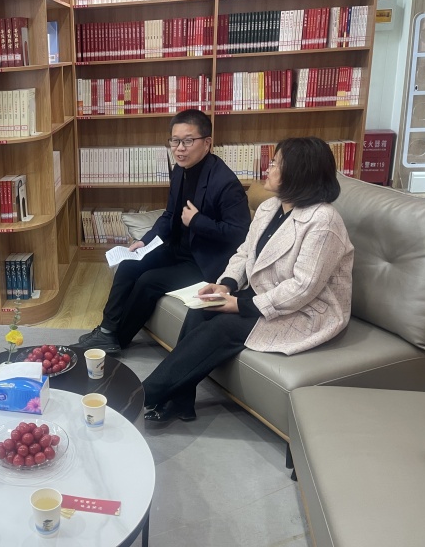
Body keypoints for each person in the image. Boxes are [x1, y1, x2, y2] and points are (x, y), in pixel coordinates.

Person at [143, 137, 354, 423]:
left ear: (298, 173)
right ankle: (180, 402)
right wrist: (226, 284)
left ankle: (143, 394)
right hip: (264, 295)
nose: (268, 168)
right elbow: (244, 253)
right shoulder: (270, 208)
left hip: (306, 310)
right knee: (200, 310)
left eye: (276, 164)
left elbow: (303, 288)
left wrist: (240, 306)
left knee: (222, 327)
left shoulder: (323, 221)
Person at [73, 109, 251, 354]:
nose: (179, 149)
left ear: (207, 143)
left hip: (204, 263)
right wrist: (145, 242)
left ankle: (118, 339)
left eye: (188, 141)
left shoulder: (226, 183)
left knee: (149, 281)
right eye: (175, 141)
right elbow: (169, 215)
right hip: (177, 249)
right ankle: (107, 331)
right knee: (129, 264)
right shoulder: (179, 170)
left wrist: (198, 221)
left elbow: (240, 234)